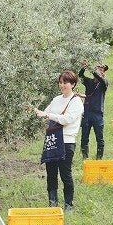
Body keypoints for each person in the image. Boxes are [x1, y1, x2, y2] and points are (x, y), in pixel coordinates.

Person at [33, 70, 84, 211]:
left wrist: (48, 114)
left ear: (73, 84)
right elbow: (46, 113)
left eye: (65, 83)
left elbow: (66, 119)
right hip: (53, 139)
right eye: (60, 82)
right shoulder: (56, 99)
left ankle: (68, 205)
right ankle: (53, 203)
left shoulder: (76, 102)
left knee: (65, 174)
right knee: (51, 172)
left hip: (67, 142)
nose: (62, 85)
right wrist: (36, 111)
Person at [79, 60, 109, 160]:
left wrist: (92, 70)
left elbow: (100, 78)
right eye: (100, 70)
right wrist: (84, 67)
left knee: (100, 139)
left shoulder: (104, 83)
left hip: (98, 115)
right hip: (87, 114)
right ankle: (85, 159)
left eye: (103, 70)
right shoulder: (88, 82)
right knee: (84, 138)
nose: (102, 72)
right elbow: (80, 76)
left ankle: (99, 159)